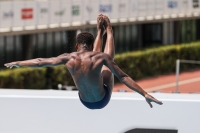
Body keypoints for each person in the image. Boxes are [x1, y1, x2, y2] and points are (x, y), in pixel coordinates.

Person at [5, 14, 163, 109]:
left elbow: (40, 61)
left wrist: (18, 62)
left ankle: (101, 31)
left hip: (84, 101)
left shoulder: (68, 58)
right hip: (103, 100)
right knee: (107, 66)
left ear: (76, 45)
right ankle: (107, 31)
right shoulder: (99, 57)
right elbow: (123, 77)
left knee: (100, 60)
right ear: (90, 43)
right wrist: (144, 93)